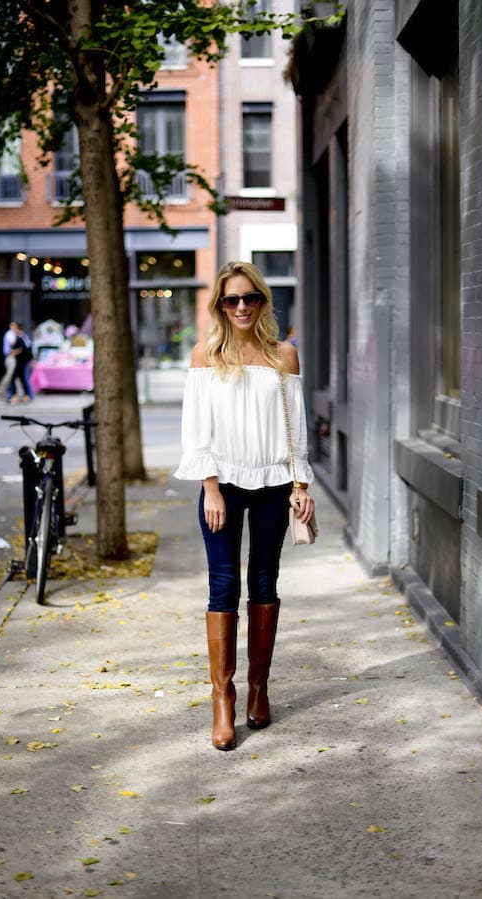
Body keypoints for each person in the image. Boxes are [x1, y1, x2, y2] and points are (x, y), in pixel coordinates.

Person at [174, 261, 315, 751]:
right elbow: (197, 432)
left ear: (262, 303)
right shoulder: (205, 356)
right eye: (231, 300)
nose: (240, 308)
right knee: (223, 585)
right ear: (219, 305)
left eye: (249, 299)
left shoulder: (284, 356)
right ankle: (222, 699)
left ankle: (259, 690)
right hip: (224, 487)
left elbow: (295, 430)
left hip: (275, 483)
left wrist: (300, 485)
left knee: (264, 582)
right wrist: (210, 488)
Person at [9, 322, 34, 404]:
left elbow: (22, 349)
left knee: (17, 378)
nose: (12, 329)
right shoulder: (23, 336)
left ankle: (16, 396)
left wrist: (14, 352)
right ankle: (26, 396)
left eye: (13, 327)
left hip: (21, 361)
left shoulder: (20, 337)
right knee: (22, 379)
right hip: (22, 361)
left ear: (17, 328)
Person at [0, 322, 17, 399]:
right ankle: (0, 390)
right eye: (13, 326)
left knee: (15, 376)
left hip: (11, 357)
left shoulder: (12, 334)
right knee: (9, 375)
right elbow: (13, 343)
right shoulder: (10, 334)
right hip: (10, 357)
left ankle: (17, 393)